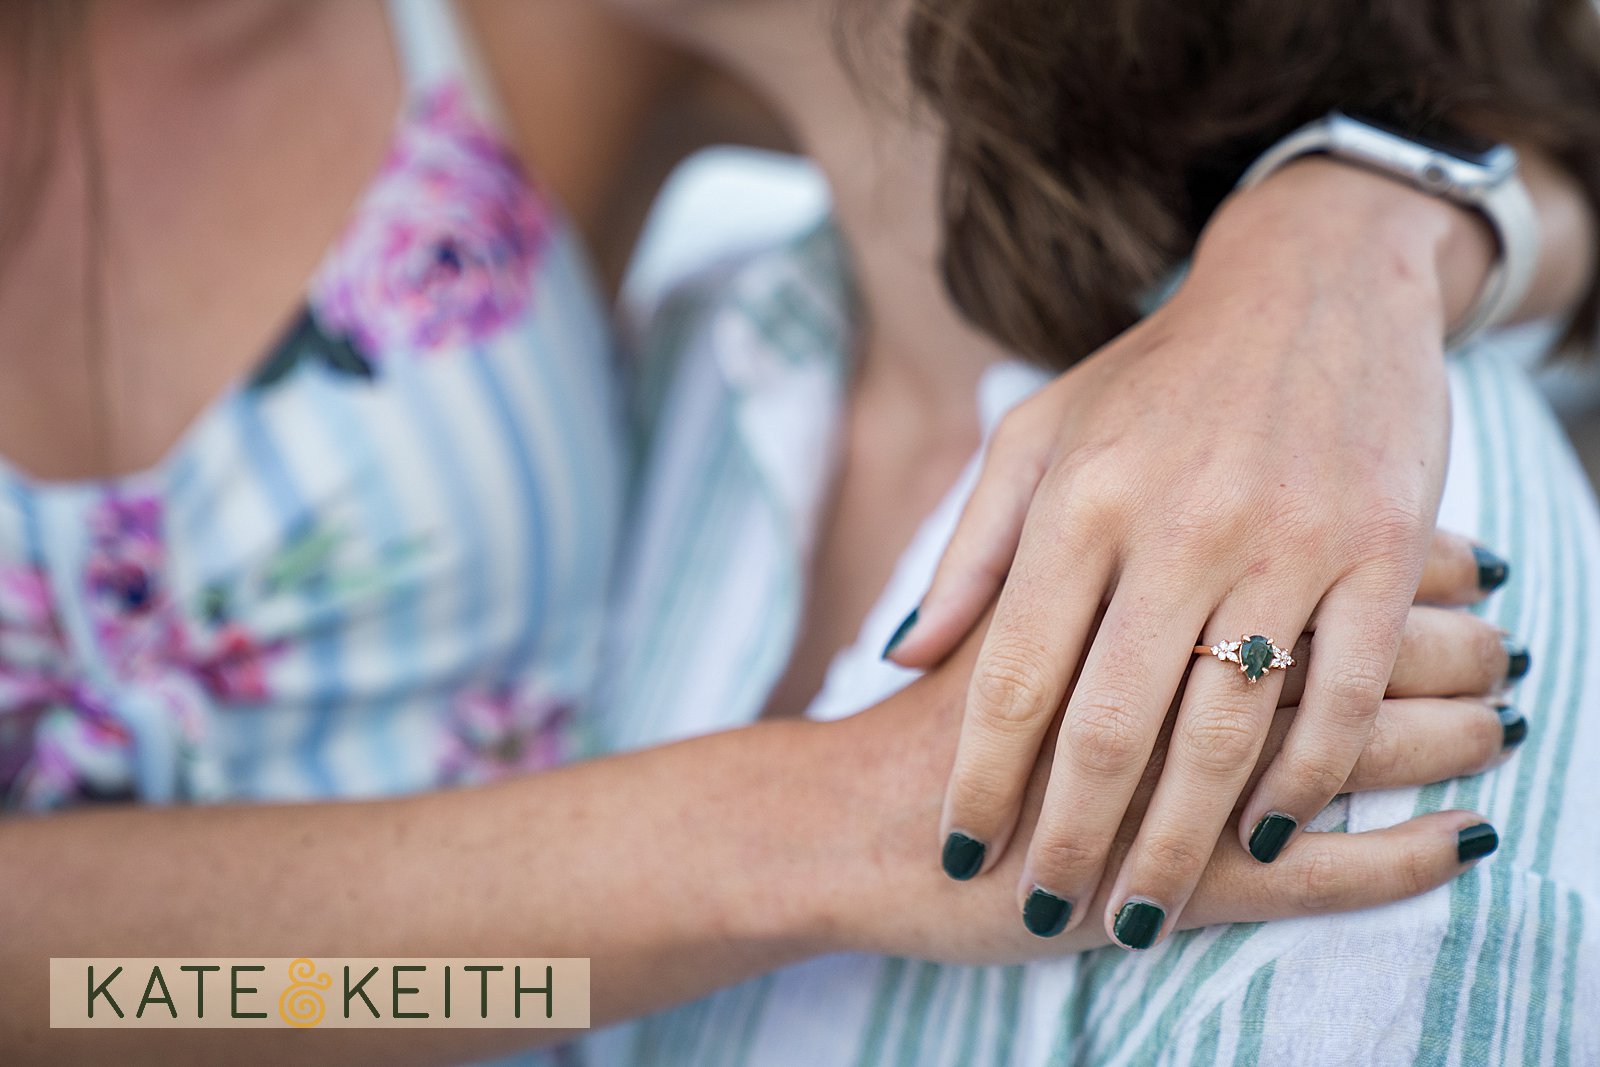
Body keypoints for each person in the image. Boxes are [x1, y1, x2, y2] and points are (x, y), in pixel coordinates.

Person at [0, 1, 1585, 1064]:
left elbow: (1512, 91)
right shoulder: (738, 359)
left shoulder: (524, 53)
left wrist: (1359, 230)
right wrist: (807, 823)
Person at [572, 0, 1600, 1063]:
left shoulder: (1357, 555)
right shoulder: (702, 343)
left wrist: (1385, 217)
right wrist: (807, 827)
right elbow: (391, 997)